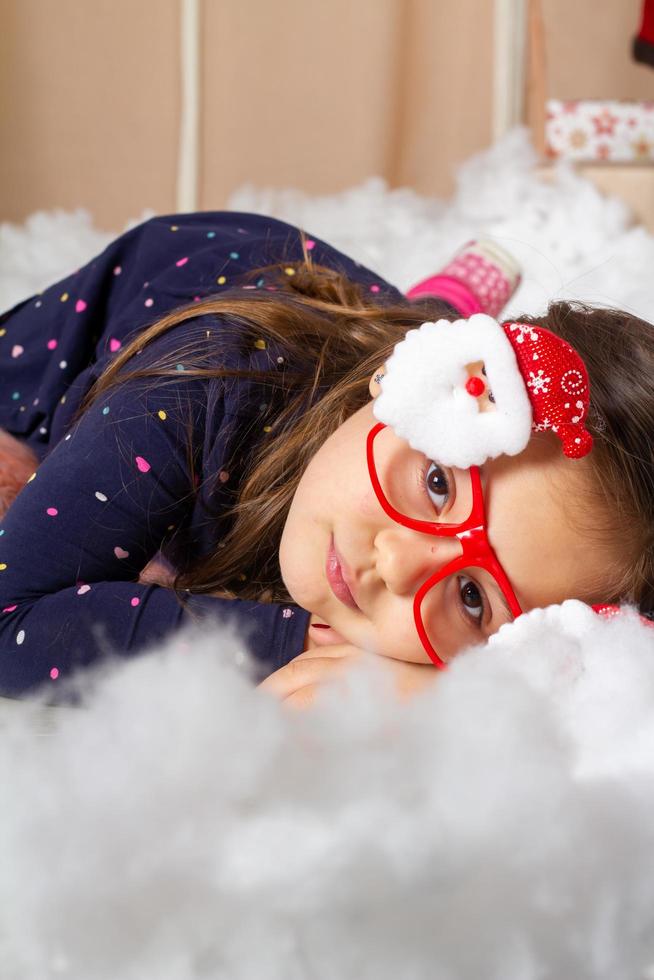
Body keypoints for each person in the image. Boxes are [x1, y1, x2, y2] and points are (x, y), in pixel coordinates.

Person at [0, 212, 651, 705]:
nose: (395, 565)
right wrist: (300, 640)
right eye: (437, 483)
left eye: (474, 598)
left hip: (363, 351)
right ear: (410, 378)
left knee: (400, 321)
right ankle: (439, 310)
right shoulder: (195, 386)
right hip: (120, 340)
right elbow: (9, 624)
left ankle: (439, 304)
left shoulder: (379, 498)